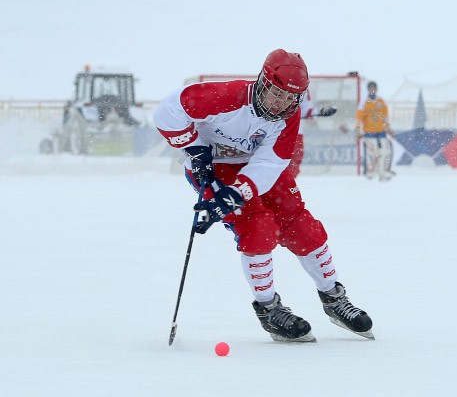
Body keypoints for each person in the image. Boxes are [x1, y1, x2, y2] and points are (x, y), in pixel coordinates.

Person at [153, 49, 373, 342]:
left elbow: (271, 162)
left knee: (300, 226)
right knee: (257, 227)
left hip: (255, 167)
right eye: (277, 94)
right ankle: (269, 309)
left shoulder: (289, 115)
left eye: (290, 99)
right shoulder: (226, 96)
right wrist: (193, 146)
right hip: (215, 167)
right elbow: (167, 111)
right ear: (262, 83)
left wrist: (236, 194)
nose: (282, 104)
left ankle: (334, 298)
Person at [287, 89, 337, 178]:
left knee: (294, 161)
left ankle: (287, 186)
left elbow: (306, 110)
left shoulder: (303, 87)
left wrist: (321, 111)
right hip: (274, 132)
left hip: (296, 132)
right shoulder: (274, 83)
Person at [356, 81, 394, 181]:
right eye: (370, 88)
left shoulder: (381, 101)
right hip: (369, 132)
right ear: (368, 90)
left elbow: (385, 116)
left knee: (385, 152)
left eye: (374, 88)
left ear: (376, 89)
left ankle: (384, 172)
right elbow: (359, 118)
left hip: (381, 131)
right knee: (372, 154)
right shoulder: (364, 102)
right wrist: (357, 130)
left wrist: (388, 127)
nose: (372, 90)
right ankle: (371, 173)